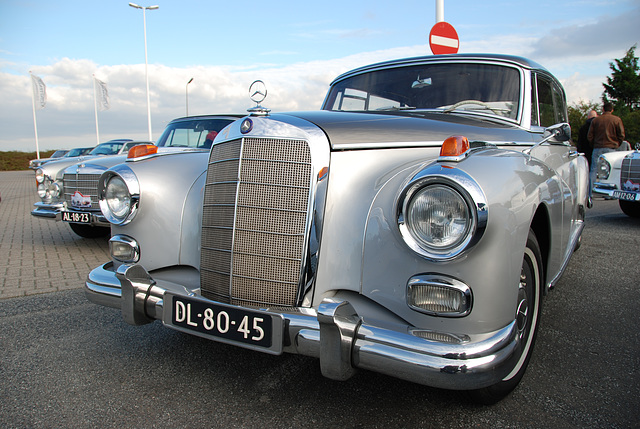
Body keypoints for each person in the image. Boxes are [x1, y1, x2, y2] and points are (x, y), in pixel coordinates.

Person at [587, 102, 625, 196]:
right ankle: (610, 194)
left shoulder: (596, 120)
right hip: (611, 148)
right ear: (612, 110)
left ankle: (590, 193)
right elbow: (621, 135)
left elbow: (590, 136)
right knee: (610, 171)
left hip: (598, 147)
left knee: (593, 170)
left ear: (603, 109)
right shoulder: (616, 120)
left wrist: (594, 144)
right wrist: (617, 143)